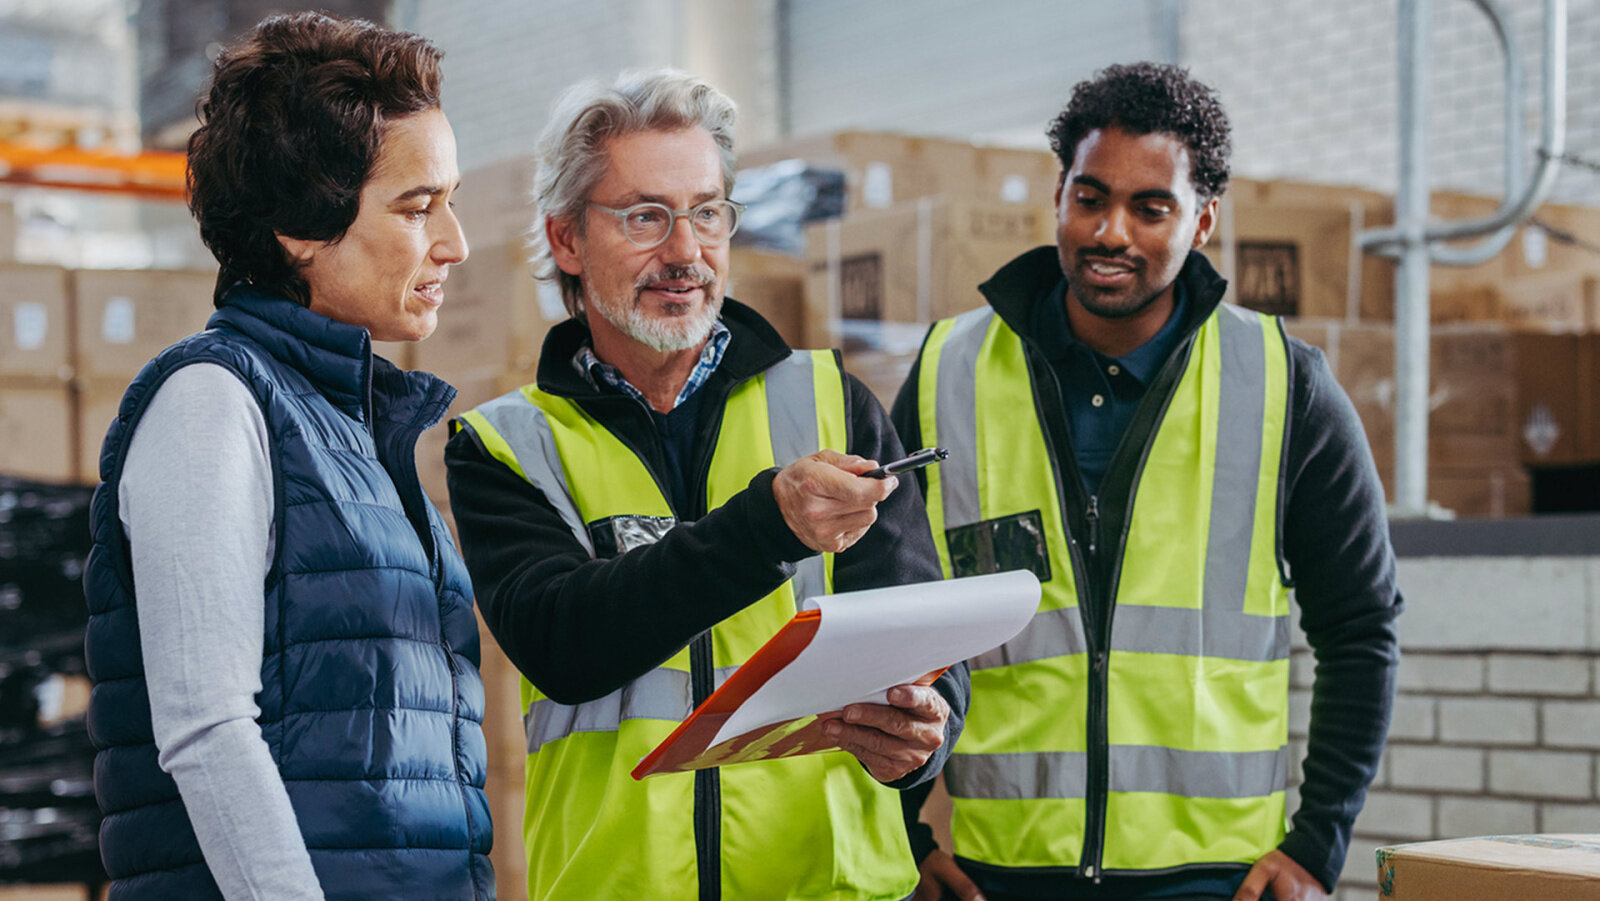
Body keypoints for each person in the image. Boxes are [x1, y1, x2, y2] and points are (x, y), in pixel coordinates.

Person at [444, 69, 968, 901]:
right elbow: (564, 642)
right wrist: (766, 525)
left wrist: (924, 733)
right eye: (646, 216)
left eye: (708, 212)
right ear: (568, 239)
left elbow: (921, 640)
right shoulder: (506, 446)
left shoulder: (832, 403)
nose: (686, 252)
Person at [893, 62, 1401, 901]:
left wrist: (1318, 842)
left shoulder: (1283, 384)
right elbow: (887, 616)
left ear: (1203, 220)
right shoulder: (949, 372)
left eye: (1151, 207)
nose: (1111, 232)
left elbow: (1361, 627)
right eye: (1090, 198)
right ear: (1058, 195)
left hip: (1213, 880)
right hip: (1002, 874)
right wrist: (905, 835)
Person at [82, 13, 492, 900]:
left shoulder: (356, 426)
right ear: (303, 224)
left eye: (450, 202)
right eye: (417, 207)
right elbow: (207, 728)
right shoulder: (211, 403)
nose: (454, 243)